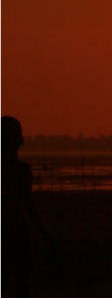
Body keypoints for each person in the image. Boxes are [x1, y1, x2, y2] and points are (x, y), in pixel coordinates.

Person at [3, 116, 48, 297]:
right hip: (17, 230)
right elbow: (27, 203)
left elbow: (27, 203)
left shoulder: (20, 170)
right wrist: (40, 229)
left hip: (16, 230)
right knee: (20, 280)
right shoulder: (22, 170)